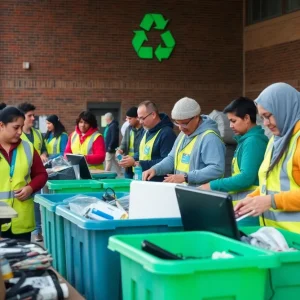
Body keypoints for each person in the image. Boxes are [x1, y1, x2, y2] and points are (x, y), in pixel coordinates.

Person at [235, 83, 300, 233]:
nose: (265, 123)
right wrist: (251, 199)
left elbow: (273, 197)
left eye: (268, 116)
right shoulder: (275, 139)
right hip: (280, 241)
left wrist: (271, 201)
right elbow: (270, 185)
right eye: (262, 117)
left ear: (285, 109)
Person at [200, 97, 268, 225]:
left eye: (233, 121)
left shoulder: (253, 142)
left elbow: (246, 177)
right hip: (243, 209)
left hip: (249, 212)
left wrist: (212, 186)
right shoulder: (245, 140)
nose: (230, 126)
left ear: (247, 118)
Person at [143, 97, 225, 185]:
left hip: (201, 195)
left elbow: (217, 169)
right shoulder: (183, 134)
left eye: (184, 123)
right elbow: (171, 158)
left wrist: (186, 177)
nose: (181, 128)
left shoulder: (210, 138)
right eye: (177, 123)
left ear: (196, 117)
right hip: (184, 192)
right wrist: (155, 169)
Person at [0, 107, 47, 241]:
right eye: (16, 127)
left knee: (22, 261)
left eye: (21, 127)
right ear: (1, 125)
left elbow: (41, 175)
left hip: (21, 221)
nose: (20, 132)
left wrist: (30, 187)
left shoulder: (28, 147)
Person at [120, 101, 177, 182]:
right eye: (139, 118)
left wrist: (139, 163)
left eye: (142, 118)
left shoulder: (167, 133)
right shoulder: (146, 130)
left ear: (153, 114)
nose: (140, 122)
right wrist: (131, 158)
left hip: (158, 183)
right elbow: (142, 152)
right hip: (144, 179)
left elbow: (167, 161)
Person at [18, 102, 47, 242]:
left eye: (33, 115)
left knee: (35, 205)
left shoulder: (37, 134)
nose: (33, 118)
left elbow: (43, 150)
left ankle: (37, 231)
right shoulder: (17, 135)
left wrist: (44, 155)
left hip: (35, 175)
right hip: (22, 178)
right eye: (30, 115)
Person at [116, 107, 144, 178]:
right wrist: (120, 150)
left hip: (139, 165)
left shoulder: (145, 130)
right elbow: (124, 143)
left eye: (130, 118)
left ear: (137, 118)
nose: (128, 121)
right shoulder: (128, 129)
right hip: (128, 167)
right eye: (127, 118)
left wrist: (133, 159)